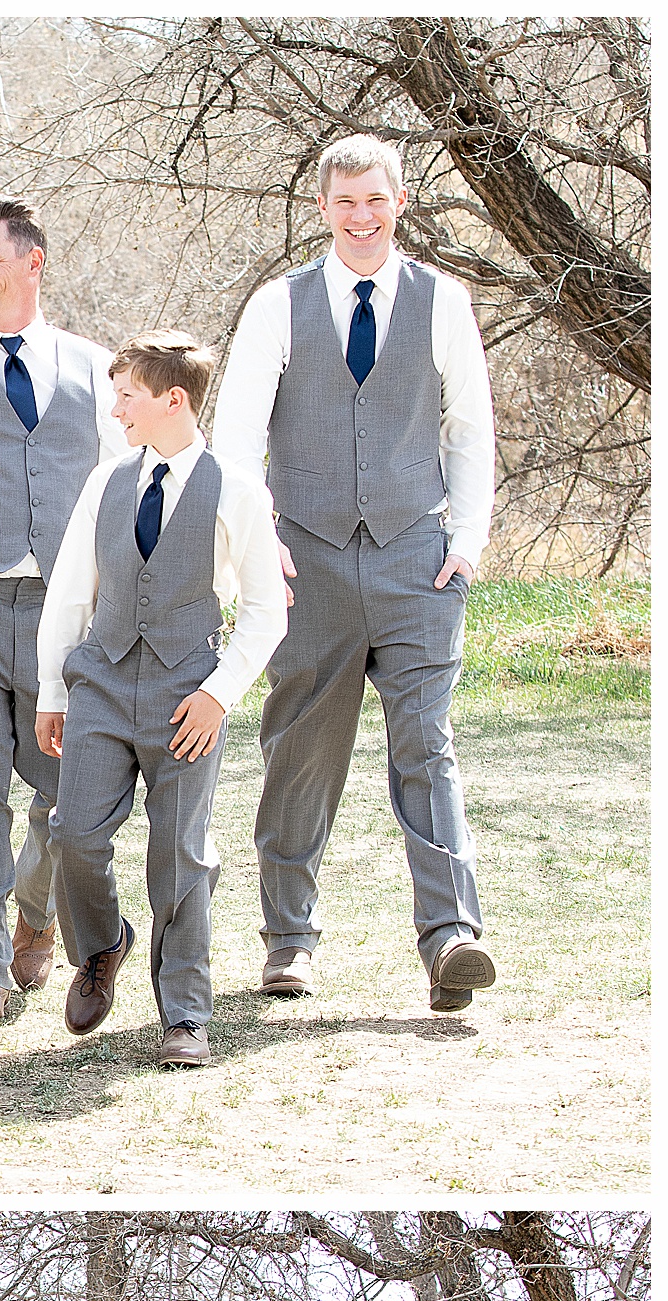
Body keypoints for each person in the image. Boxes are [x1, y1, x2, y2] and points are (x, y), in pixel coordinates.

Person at [210, 133, 498, 1013]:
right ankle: (288, 941)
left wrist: (467, 539)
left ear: (399, 202)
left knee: (427, 747)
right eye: (344, 203)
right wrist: (259, 539)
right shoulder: (279, 305)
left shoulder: (441, 301)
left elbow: (470, 428)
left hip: (419, 557)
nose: (361, 216)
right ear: (324, 209)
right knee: (302, 748)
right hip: (310, 564)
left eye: (374, 200)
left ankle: (451, 937)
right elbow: (235, 434)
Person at [36, 331, 285, 1069]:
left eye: (127, 397)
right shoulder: (106, 483)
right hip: (102, 688)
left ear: (173, 400)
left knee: (178, 857)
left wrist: (218, 695)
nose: (115, 412)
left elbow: (268, 612)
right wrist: (54, 689)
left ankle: (184, 1014)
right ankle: (102, 944)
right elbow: (70, 593)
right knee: (73, 834)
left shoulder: (237, 490)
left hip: (187, 698)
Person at [0, 199, 123, 1022]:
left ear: (32, 261)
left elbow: (129, 489)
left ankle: (36, 913)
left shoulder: (95, 368)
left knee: (69, 793)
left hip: (67, 614)